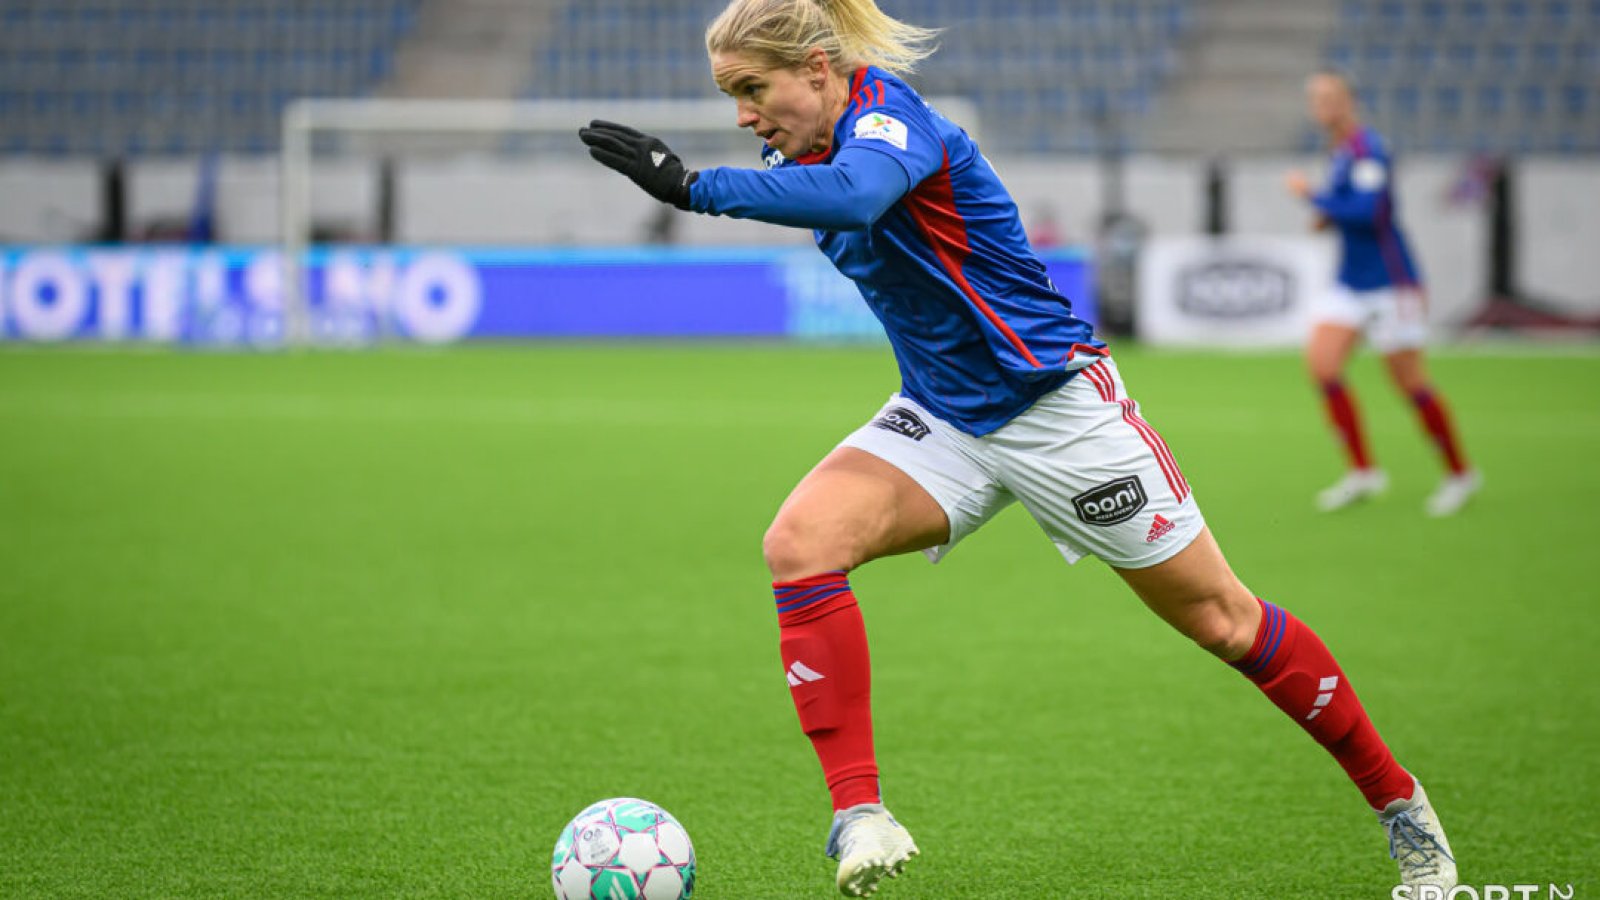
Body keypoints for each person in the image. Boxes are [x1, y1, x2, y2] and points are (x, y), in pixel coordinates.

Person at [580, 2, 1457, 895]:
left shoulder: (892, 120)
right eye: (731, 95)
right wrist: (719, 179)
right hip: (944, 419)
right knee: (799, 544)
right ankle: (860, 813)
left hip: (1055, 411)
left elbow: (859, 196)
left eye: (750, 89)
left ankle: (1403, 810)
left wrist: (694, 186)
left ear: (816, 67)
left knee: (1224, 622)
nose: (742, 116)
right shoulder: (792, 153)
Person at [1285, 70, 1480, 516]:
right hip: (1351, 281)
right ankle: (1363, 471)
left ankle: (1459, 473)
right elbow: (1346, 207)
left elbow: (1370, 213)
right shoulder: (1337, 152)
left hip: (1391, 283)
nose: (1321, 105)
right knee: (1323, 365)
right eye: (1315, 97)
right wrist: (1326, 213)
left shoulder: (1367, 148)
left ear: (1349, 100)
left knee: (1410, 383)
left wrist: (1312, 197)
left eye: (1330, 96)